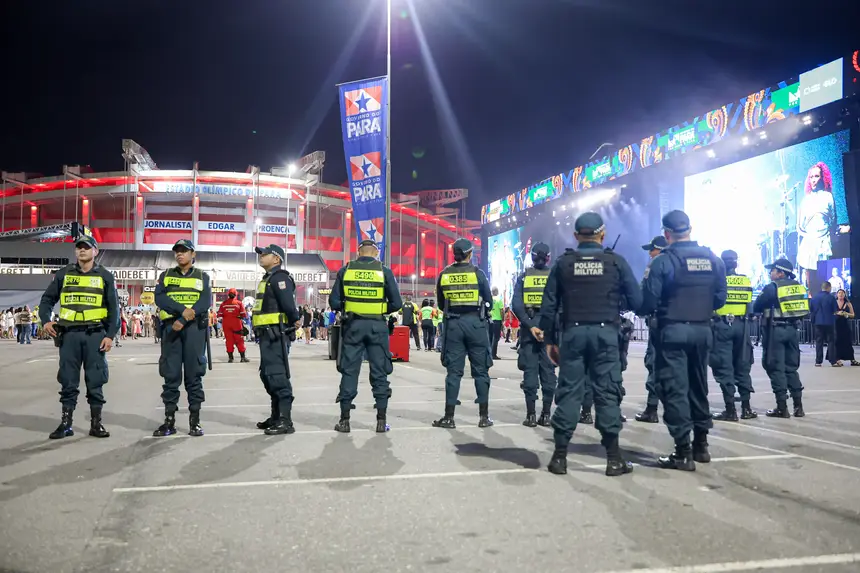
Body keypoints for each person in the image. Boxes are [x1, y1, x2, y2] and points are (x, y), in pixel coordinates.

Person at [536, 212, 642, 477]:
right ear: (602, 234)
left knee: (570, 391)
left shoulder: (563, 264)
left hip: (572, 334)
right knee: (607, 392)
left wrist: (549, 341)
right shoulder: (615, 262)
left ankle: (559, 457)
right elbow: (638, 302)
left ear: (576, 236)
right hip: (606, 335)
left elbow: (548, 307)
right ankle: (614, 459)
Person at [639, 210, 727, 471]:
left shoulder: (663, 261)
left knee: (673, 389)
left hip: (672, 332)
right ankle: (702, 446)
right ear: (690, 228)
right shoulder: (713, 258)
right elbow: (720, 299)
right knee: (699, 385)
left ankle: (683, 451)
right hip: (703, 331)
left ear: (667, 234)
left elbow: (648, 302)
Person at [39, 234, 120, 439]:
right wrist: (46, 320)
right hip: (69, 336)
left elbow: (114, 309)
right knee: (68, 380)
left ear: (95, 251)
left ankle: (96, 424)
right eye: (79, 248)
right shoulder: (63, 274)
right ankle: (66, 424)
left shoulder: (105, 276)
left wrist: (110, 335)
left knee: (95, 380)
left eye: (86, 247)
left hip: (95, 335)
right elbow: (47, 300)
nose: (82, 250)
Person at [328, 239, 402, 433]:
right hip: (377, 327)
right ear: (376, 252)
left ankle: (344, 421)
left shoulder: (346, 270)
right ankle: (380, 420)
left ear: (358, 251)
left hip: (353, 326)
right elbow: (396, 304)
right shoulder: (384, 271)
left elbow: (334, 302)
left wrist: (351, 306)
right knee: (380, 371)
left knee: (349, 371)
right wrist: (378, 308)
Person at [152, 239, 212, 437]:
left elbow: (205, 302)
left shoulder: (202, 276)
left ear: (193, 254)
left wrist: (185, 319)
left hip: (194, 329)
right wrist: (182, 313)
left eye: (184, 251)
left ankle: (195, 421)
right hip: (171, 329)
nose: (180, 254)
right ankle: (169, 421)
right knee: (170, 375)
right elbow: (160, 298)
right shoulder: (166, 275)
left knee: (194, 375)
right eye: (177, 251)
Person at [433, 238, 494, 429]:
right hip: (475, 324)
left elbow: (442, 304)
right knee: (481, 371)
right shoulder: (478, 273)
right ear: (470, 254)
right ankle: (483, 417)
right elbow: (489, 301)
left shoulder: (444, 274)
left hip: (453, 325)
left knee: (453, 372)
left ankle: (449, 417)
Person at [251, 244, 301, 434]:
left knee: (277, 374)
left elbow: (288, 304)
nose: (261, 256)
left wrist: (295, 320)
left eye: (265, 254)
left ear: (277, 259)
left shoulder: (280, 278)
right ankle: (276, 416)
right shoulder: (269, 278)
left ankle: (285, 420)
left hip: (277, 334)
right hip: (267, 334)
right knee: (267, 374)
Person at [752, 258, 809, 418]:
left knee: (775, 367)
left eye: (773, 270)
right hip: (792, 330)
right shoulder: (799, 287)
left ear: (781, 272)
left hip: (775, 331)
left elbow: (757, 306)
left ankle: (782, 407)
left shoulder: (772, 287)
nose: (770, 273)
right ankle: (798, 407)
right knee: (791, 368)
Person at [511, 241, 557, 427]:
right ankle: (546, 415)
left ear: (531, 256)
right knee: (549, 373)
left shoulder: (523, 277)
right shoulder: (555, 278)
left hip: (529, 332)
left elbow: (517, 305)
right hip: (549, 332)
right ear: (548, 258)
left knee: (530, 372)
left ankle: (530, 415)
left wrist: (530, 326)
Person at [710, 250, 757, 421]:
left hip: (722, 326)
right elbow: (750, 307)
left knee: (724, 367)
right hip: (742, 327)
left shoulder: (716, 280)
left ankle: (730, 411)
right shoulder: (745, 279)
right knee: (743, 366)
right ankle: (747, 409)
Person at [634, 235, 667, 424]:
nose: (649, 253)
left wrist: (640, 309)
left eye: (652, 249)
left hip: (660, 323)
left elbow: (646, 293)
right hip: (685, 323)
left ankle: (652, 409)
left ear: (659, 249)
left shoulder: (655, 265)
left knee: (654, 364)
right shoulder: (682, 262)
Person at [809, 281, 838, 367]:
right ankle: (833, 361)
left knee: (819, 342)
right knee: (831, 341)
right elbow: (834, 310)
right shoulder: (831, 297)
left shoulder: (814, 297)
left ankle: (818, 361)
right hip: (829, 322)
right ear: (829, 287)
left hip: (818, 322)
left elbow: (811, 309)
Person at [218, 287, 250, 363]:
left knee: (229, 341)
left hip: (226, 324)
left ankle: (230, 358)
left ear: (228, 294)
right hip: (236, 323)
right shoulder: (239, 303)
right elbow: (244, 315)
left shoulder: (223, 304)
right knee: (239, 340)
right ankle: (242, 358)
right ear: (236, 294)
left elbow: (220, 314)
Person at [833, 289, 858, 366]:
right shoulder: (834, 303)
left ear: (845, 295)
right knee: (836, 342)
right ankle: (837, 359)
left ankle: (852, 359)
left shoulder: (848, 303)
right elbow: (830, 313)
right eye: (839, 293)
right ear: (837, 294)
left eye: (842, 293)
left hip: (845, 325)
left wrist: (845, 313)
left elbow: (853, 315)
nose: (840, 294)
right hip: (836, 325)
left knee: (848, 342)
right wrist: (837, 313)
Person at [489, 287, 504, 358]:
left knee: (490, 337)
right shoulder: (499, 300)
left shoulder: (490, 300)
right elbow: (501, 310)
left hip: (490, 320)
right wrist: (502, 319)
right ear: (497, 292)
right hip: (497, 320)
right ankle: (493, 354)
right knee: (496, 338)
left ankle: (489, 354)